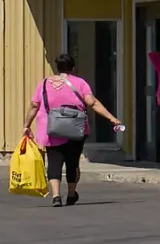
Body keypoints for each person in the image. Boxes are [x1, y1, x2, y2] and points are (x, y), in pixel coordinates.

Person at [25, 52, 123, 207]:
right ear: (73, 67)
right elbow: (92, 102)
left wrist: (26, 125)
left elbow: (34, 106)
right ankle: (71, 194)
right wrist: (112, 118)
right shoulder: (80, 83)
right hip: (75, 128)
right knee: (73, 162)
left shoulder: (44, 84)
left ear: (57, 67)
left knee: (54, 161)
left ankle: (56, 196)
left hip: (51, 128)